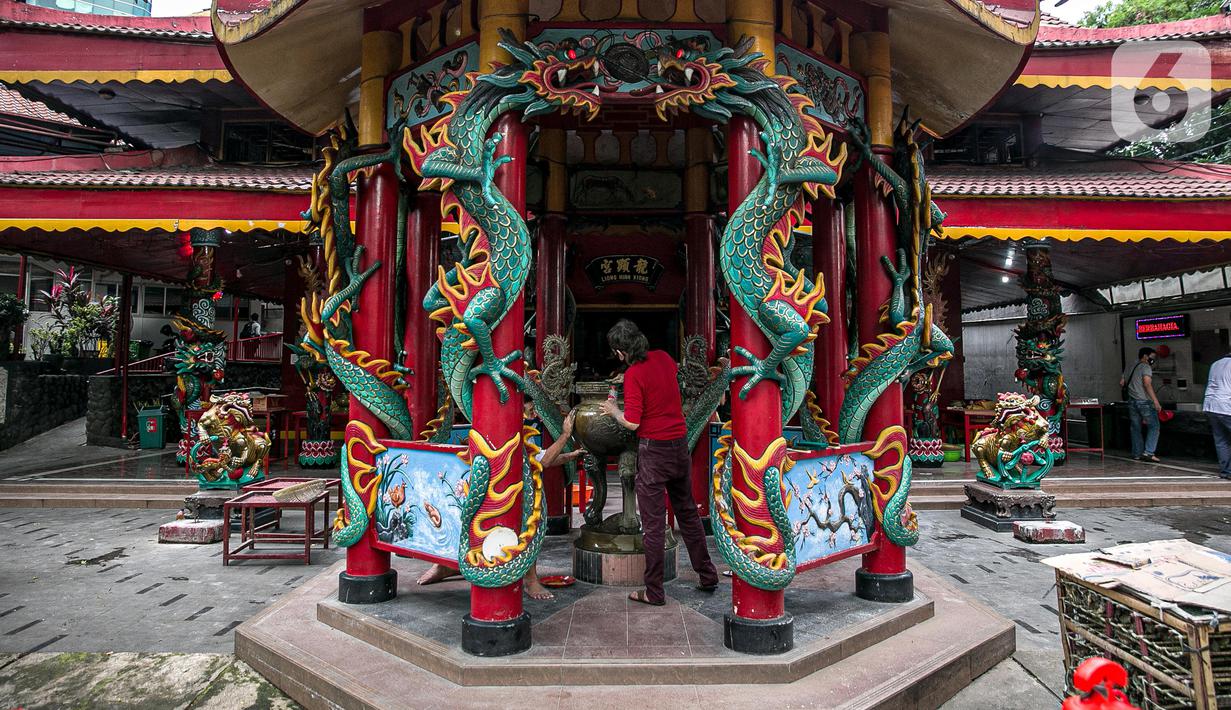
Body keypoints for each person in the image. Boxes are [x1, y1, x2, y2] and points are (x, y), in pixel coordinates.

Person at [600, 319, 719, 606]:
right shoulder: (665, 358)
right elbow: (663, 386)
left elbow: (632, 422)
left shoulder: (634, 375)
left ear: (619, 352)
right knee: (688, 515)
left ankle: (653, 592)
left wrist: (614, 409)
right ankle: (708, 575)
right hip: (679, 446)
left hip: (654, 452)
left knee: (652, 526)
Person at [416, 406, 586, 600]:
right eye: (530, 406)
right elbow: (545, 461)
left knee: (528, 527)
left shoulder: (520, 432)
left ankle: (527, 578)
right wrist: (565, 434)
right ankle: (447, 565)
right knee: (516, 528)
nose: (535, 412)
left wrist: (571, 456)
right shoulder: (500, 426)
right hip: (498, 494)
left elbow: (540, 459)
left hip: (513, 494)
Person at [1121, 347, 1163, 463]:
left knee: (1135, 428)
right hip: (1144, 401)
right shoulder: (1146, 367)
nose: (1152, 360)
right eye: (1152, 358)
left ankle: (1137, 453)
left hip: (1132, 401)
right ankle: (1149, 452)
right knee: (1154, 426)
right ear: (1145, 356)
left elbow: (1122, 383)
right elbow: (1147, 384)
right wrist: (1155, 401)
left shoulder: (1130, 366)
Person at [1204, 352, 1231, 480]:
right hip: (1226, 407)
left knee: (1221, 441)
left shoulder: (1215, 364)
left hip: (1211, 406)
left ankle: (1226, 471)